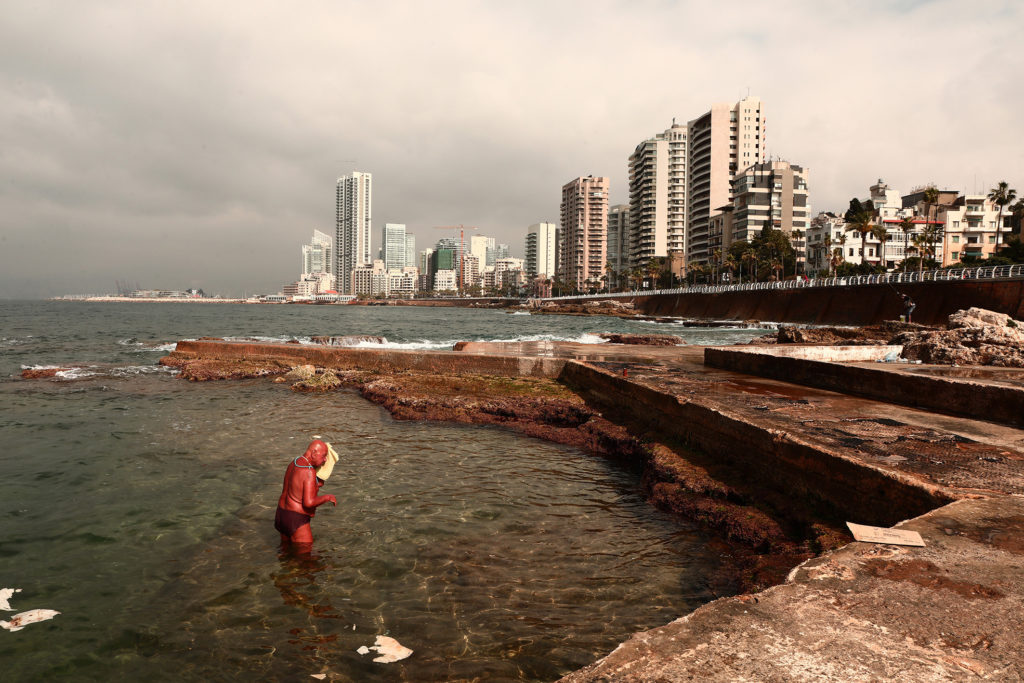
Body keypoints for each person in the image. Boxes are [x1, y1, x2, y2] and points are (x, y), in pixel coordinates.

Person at [275, 439, 336, 547]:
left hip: (281, 514)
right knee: (306, 558)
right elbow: (308, 502)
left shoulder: (294, 463)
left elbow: (296, 488)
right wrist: (328, 497)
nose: (325, 459)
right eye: (323, 456)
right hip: (295, 518)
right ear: (314, 453)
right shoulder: (309, 471)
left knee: (285, 552)